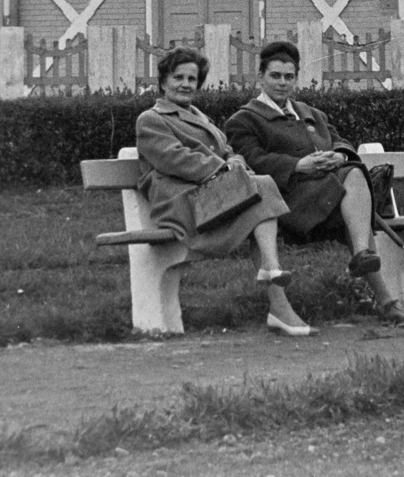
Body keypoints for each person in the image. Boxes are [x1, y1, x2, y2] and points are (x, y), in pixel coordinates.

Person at [224, 40, 404, 327]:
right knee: (354, 192)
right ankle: (380, 286)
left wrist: (337, 155)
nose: (282, 83)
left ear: (296, 78)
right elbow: (252, 160)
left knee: (353, 175)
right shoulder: (245, 119)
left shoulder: (311, 113)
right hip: (287, 204)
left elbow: (342, 142)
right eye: (275, 76)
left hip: (326, 198)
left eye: (289, 77)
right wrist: (299, 165)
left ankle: (370, 267)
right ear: (260, 77)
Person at [134, 46, 314, 337]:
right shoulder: (151, 119)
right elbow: (175, 159)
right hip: (182, 203)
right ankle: (272, 275)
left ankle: (277, 294)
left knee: (261, 193)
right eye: (178, 77)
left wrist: (234, 162)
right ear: (164, 81)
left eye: (192, 79)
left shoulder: (198, 116)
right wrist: (223, 168)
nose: (185, 84)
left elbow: (228, 150)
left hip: (210, 196)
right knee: (264, 187)